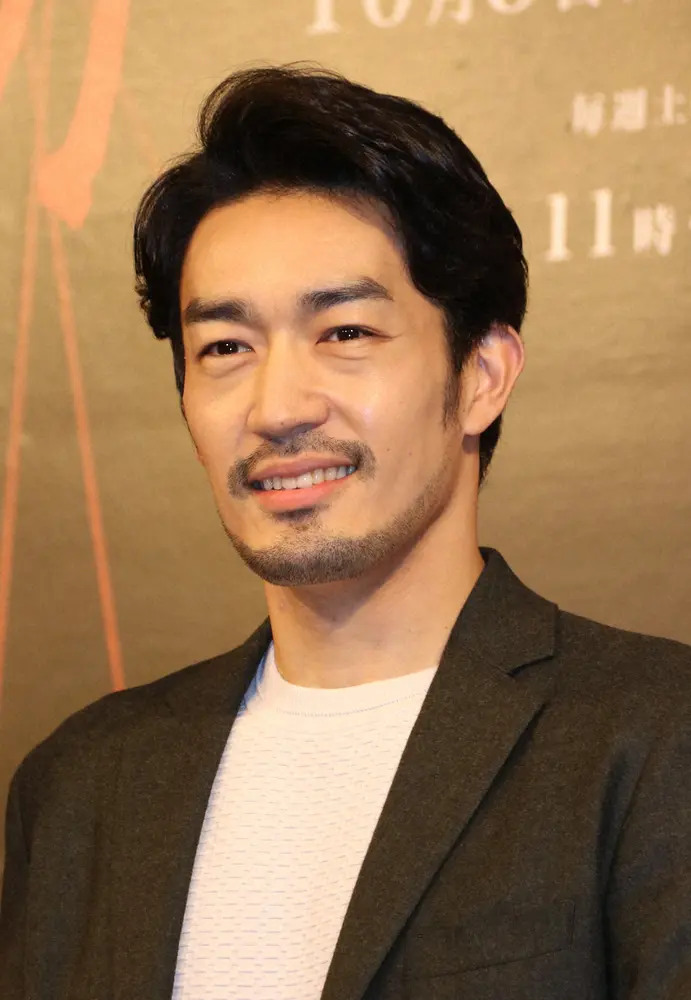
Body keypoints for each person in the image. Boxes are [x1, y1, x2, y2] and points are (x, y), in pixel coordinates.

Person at [1, 64, 690, 1000]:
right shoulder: (81, 787)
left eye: (345, 334)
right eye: (226, 348)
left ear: (481, 376)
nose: (277, 406)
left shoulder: (651, 736)